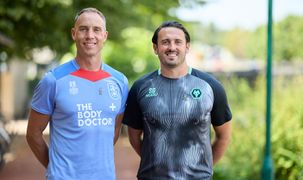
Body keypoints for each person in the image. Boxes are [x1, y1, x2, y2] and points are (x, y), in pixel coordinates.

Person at [26, 7, 128, 180]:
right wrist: (54, 168)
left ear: (105, 36)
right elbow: (33, 134)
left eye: (96, 30)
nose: (90, 35)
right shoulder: (53, 81)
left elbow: (114, 130)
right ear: (74, 34)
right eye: (83, 29)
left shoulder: (120, 82)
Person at [122, 21, 232, 179]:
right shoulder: (140, 87)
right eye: (165, 42)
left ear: (187, 46)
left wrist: (202, 168)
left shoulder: (211, 86)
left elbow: (224, 136)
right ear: (155, 48)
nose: (172, 47)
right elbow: (134, 136)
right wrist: (156, 165)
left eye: (178, 42)